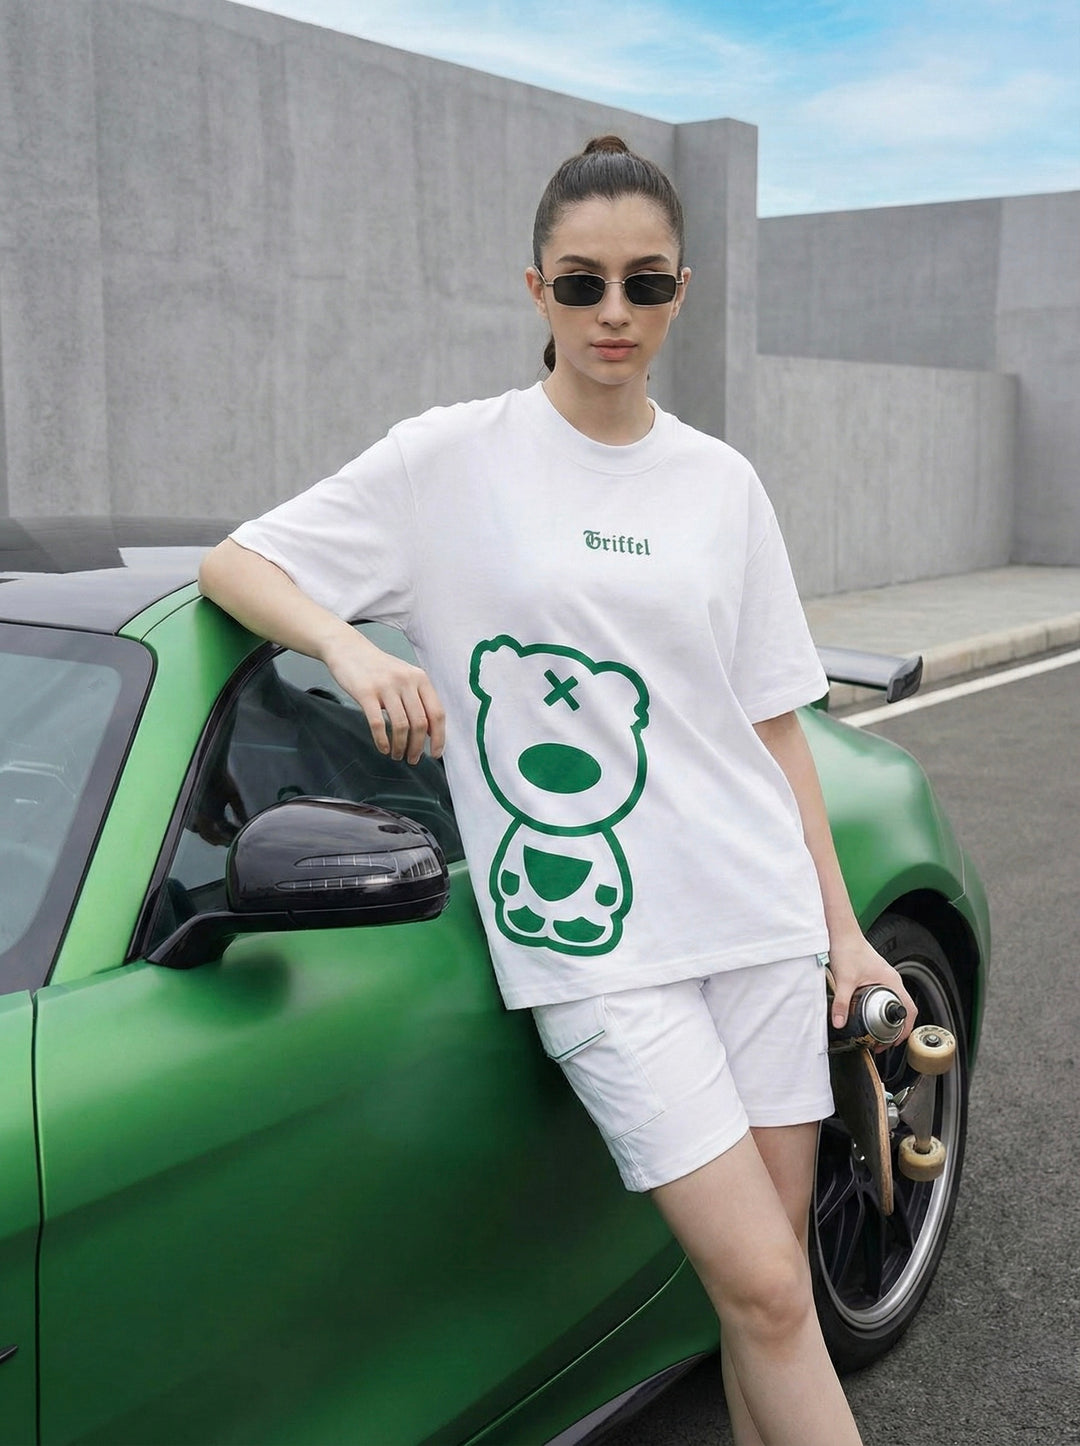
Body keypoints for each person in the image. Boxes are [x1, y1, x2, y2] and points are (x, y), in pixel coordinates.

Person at [199, 134, 915, 1446]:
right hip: (595, 943)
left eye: (645, 283)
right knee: (764, 1286)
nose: (613, 313)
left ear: (682, 290)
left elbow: (773, 724)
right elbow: (239, 565)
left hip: (756, 912)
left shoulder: (721, 483)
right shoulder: (447, 460)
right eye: (582, 283)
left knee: (765, 1300)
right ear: (536, 289)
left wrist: (842, 928)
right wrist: (353, 648)